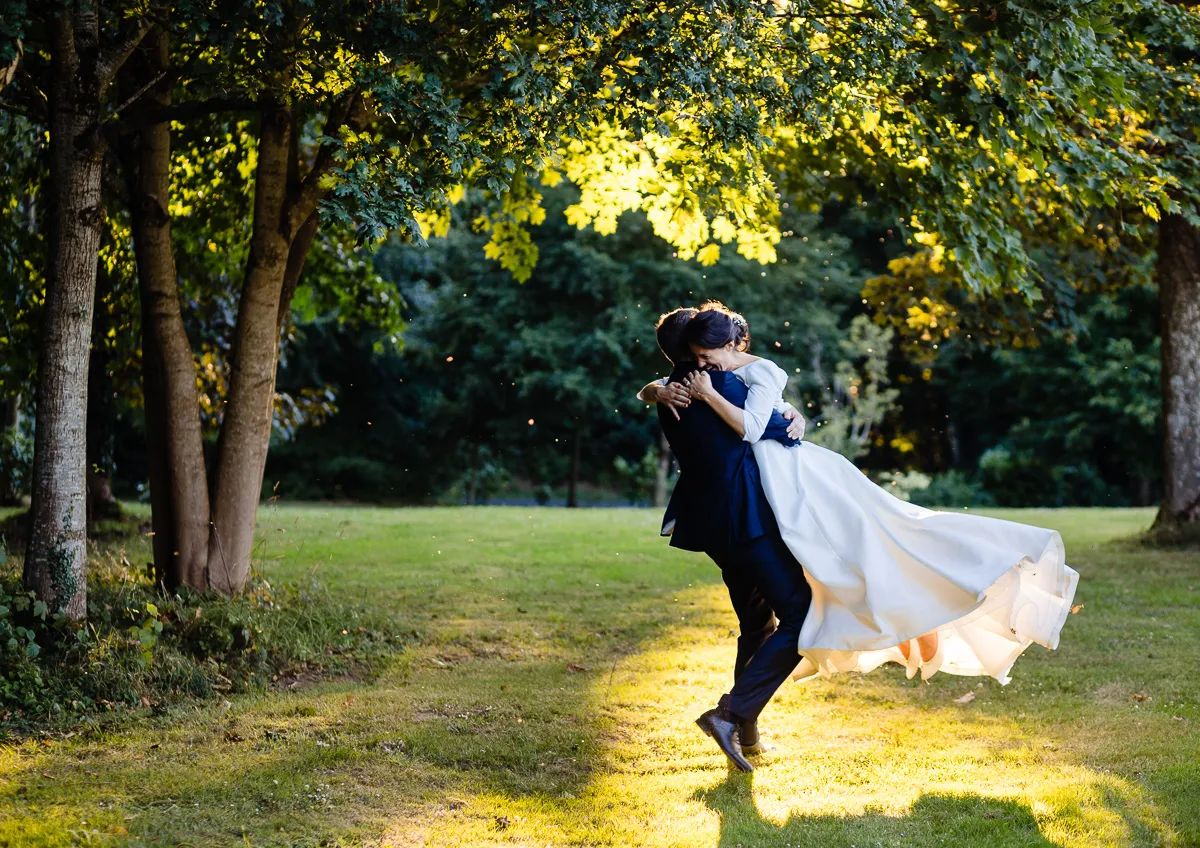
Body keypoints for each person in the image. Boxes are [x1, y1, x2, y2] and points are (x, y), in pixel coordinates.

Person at [675, 302, 1080, 685]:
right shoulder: (720, 371)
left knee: (867, 535)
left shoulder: (759, 371)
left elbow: (750, 425)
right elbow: (696, 389)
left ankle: (909, 609)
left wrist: (723, 399)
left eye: (706, 355)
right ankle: (883, 615)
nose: (701, 364)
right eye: (695, 356)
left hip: (797, 473)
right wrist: (656, 392)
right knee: (821, 558)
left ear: (730, 344)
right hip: (770, 479)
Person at [641, 307, 814, 772]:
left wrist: (652, 389)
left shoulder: (669, 391)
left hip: (714, 526)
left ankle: (746, 731)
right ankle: (730, 715)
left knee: (757, 624)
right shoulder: (719, 387)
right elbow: (770, 429)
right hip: (745, 523)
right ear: (697, 351)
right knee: (803, 615)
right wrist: (789, 416)